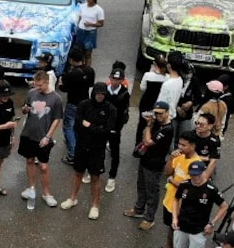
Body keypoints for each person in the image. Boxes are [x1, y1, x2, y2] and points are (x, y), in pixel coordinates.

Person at [163, 160, 230, 248]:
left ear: (204, 172)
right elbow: (176, 200)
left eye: (198, 175)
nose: (195, 178)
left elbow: (224, 206)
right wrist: (175, 218)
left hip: (198, 230)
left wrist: (212, 223)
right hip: (181, 226)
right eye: (193, 175)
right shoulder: (184, 185)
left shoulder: (211, 189)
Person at [60, 85, 115, 220]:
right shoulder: (84, 105)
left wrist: (89, 126)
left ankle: (95, 205)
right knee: (78, 173)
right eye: (98, 93)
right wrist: (96, 128)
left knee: (95, 177)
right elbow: (77, 125)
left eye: (102, 94)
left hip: (97, 148)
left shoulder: (110, 109)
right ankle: (72, 198)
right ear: (94, 93)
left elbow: (107, 130)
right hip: (82, 146)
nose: (100, 96)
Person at [125, 101, 174, 230]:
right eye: (155, 113)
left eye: (160, 113)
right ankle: (139, 208)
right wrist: (150, 124)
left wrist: (148, 125)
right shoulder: (156, 124)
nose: (157, 116)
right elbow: (143, 136)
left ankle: (149, 218)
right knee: (141, 186)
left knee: (152, 191)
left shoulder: (168, 129)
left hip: (155, 164)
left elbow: (148, 141)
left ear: (167, 112)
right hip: (145, 160)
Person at [18, 71, 62, 210]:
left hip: (43, 136)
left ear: (47, 82)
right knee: (29, 160)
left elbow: (57, 119)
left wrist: (48, 136)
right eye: (36, 85)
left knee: (43, 166)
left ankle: (46, 193)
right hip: (28, 134)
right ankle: (31, 188)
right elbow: (24, 109)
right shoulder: (31, 93)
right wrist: (25, 109)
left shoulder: (56, 98)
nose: (37, 88)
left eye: (40, 85)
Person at [58, 47, 93, 163]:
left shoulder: (70, 74)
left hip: (73, 103)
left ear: (71, 60)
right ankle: (80, 150)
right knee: (80, 127)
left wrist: (60, 83)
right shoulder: (90, 71)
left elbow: (63, 88)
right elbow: (90, 84)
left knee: (69, 127)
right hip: (86, 103)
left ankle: (72, 154)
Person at [101, 63, 130, 193]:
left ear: (122, 80)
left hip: (115, 128)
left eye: (118, 79)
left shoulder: (124, 94)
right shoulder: (104, 90)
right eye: (113, 79)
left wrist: (116, 128)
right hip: (102, 126)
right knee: (98, 149)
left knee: (115, 152)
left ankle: (112, 177)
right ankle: (94, 170)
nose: (115, 82)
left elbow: (123, 114)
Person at [73, 0, 104, 64]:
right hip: (81, 30)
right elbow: (79, 17)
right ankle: (80, 66)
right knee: (79, 52)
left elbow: (101, 24)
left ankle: (87, 68)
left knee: (88, 53)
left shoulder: (99, 10)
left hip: (90, 32)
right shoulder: (82, 6)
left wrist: (91, 24)